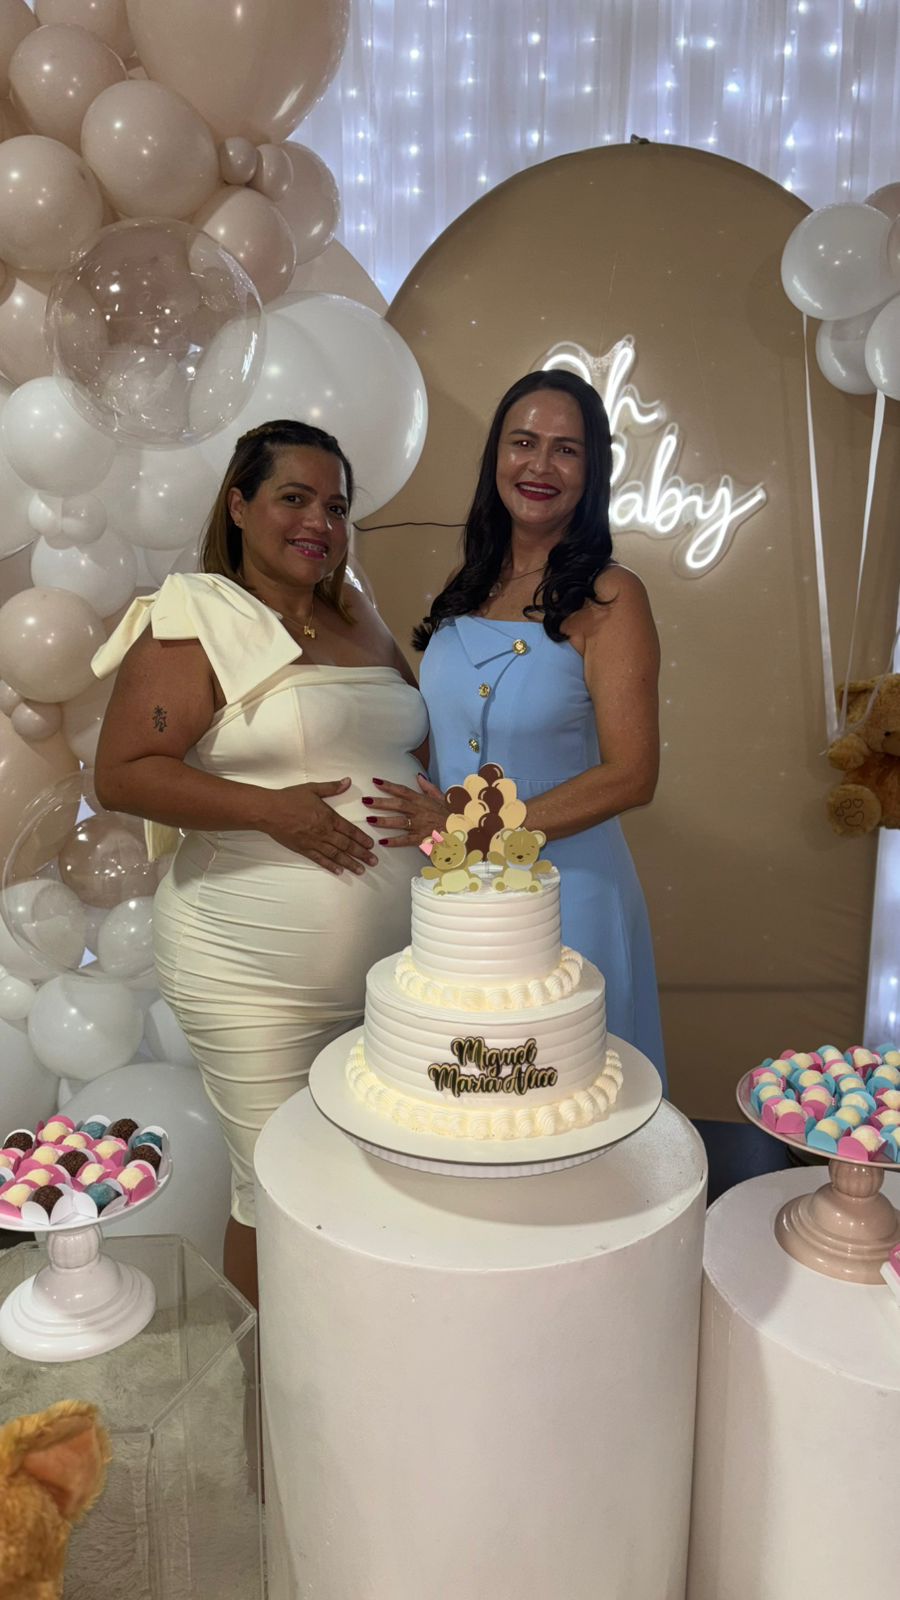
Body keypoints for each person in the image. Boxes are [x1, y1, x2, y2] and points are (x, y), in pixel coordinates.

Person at [92, 420, 429, 1306]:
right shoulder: (196, 616)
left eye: (337, 507)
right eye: (294, 498)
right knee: (275, 1186)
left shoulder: (358, 618)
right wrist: (271, 811)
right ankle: (269, 1380)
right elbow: (122, 772)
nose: (320, 522)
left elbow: (405, 748)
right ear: (239, 506)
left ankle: (347, 1354)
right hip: (250, 971)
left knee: (366, 1183)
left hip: (393, 974)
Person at [366, 369, 667, 1087]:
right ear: (496, 456)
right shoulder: (466, 586)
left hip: (569, 892)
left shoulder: (612, 595)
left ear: (592, 472)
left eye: (566, 449)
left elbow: (633, 774)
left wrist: (471, 829)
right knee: (473, 1102)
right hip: (458, 901)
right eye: (523, 442)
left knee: (570, 1096)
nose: (540, 465)